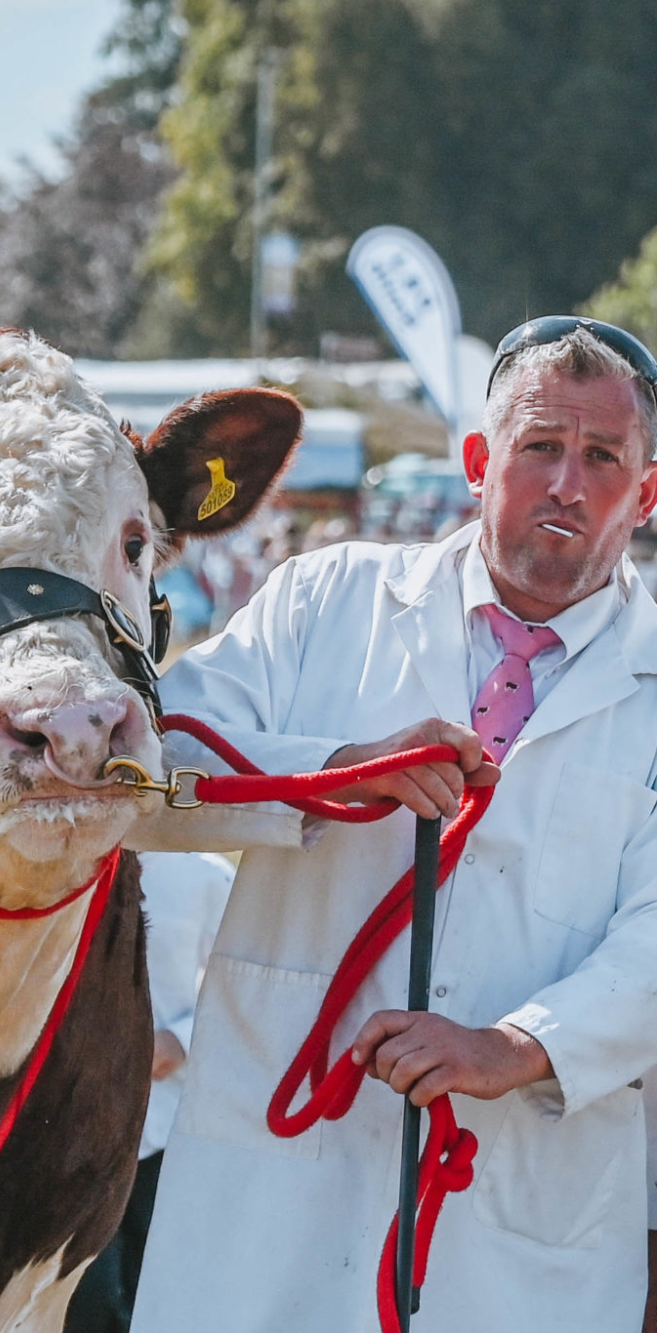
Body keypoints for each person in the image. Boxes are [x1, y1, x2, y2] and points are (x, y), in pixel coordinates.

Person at [128, 317, 657, 1333]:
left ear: (644, 493)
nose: (565, 485)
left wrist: (514, 1044)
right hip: (273, 1195)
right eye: (538, 446)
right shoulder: (325, 601)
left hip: (518, 1208)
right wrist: (330, 772)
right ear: (476, 462)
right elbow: (143, 767)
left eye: (601, 458)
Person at [64, 851, 234, 1333]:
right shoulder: (62, 865)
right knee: (87, 1300)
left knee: (160, 1295)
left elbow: (243, 991)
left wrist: (178, 1040)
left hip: (167, 1128)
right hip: (71, 1130)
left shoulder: (208, 878)